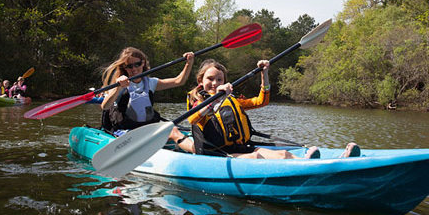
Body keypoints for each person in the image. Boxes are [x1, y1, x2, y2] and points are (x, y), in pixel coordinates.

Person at [187, 59, 360, 159]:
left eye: (220, 79)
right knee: (257, 157)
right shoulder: (198, 100)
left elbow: (262, 101)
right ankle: (309, 167)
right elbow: (193, 119)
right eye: (211, 79)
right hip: (219, 154)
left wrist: (265, 74)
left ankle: (331, 162)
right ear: (200, 81)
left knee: (284, 153)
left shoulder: (232, 100)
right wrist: (217, 98)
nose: (215, 83)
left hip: (240, 148)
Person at [101, 46, 195, 153]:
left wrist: (189, 63)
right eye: (129, 66)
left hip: (147, 129)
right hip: (126, 132)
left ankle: (198, 153)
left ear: (143, 63)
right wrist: (118, 87)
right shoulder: (120, 84)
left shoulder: (151, 83)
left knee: (174, 131)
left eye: (137, 64)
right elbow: (105, 106)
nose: (134, 69)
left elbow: (179, 81)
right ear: (124, 68)